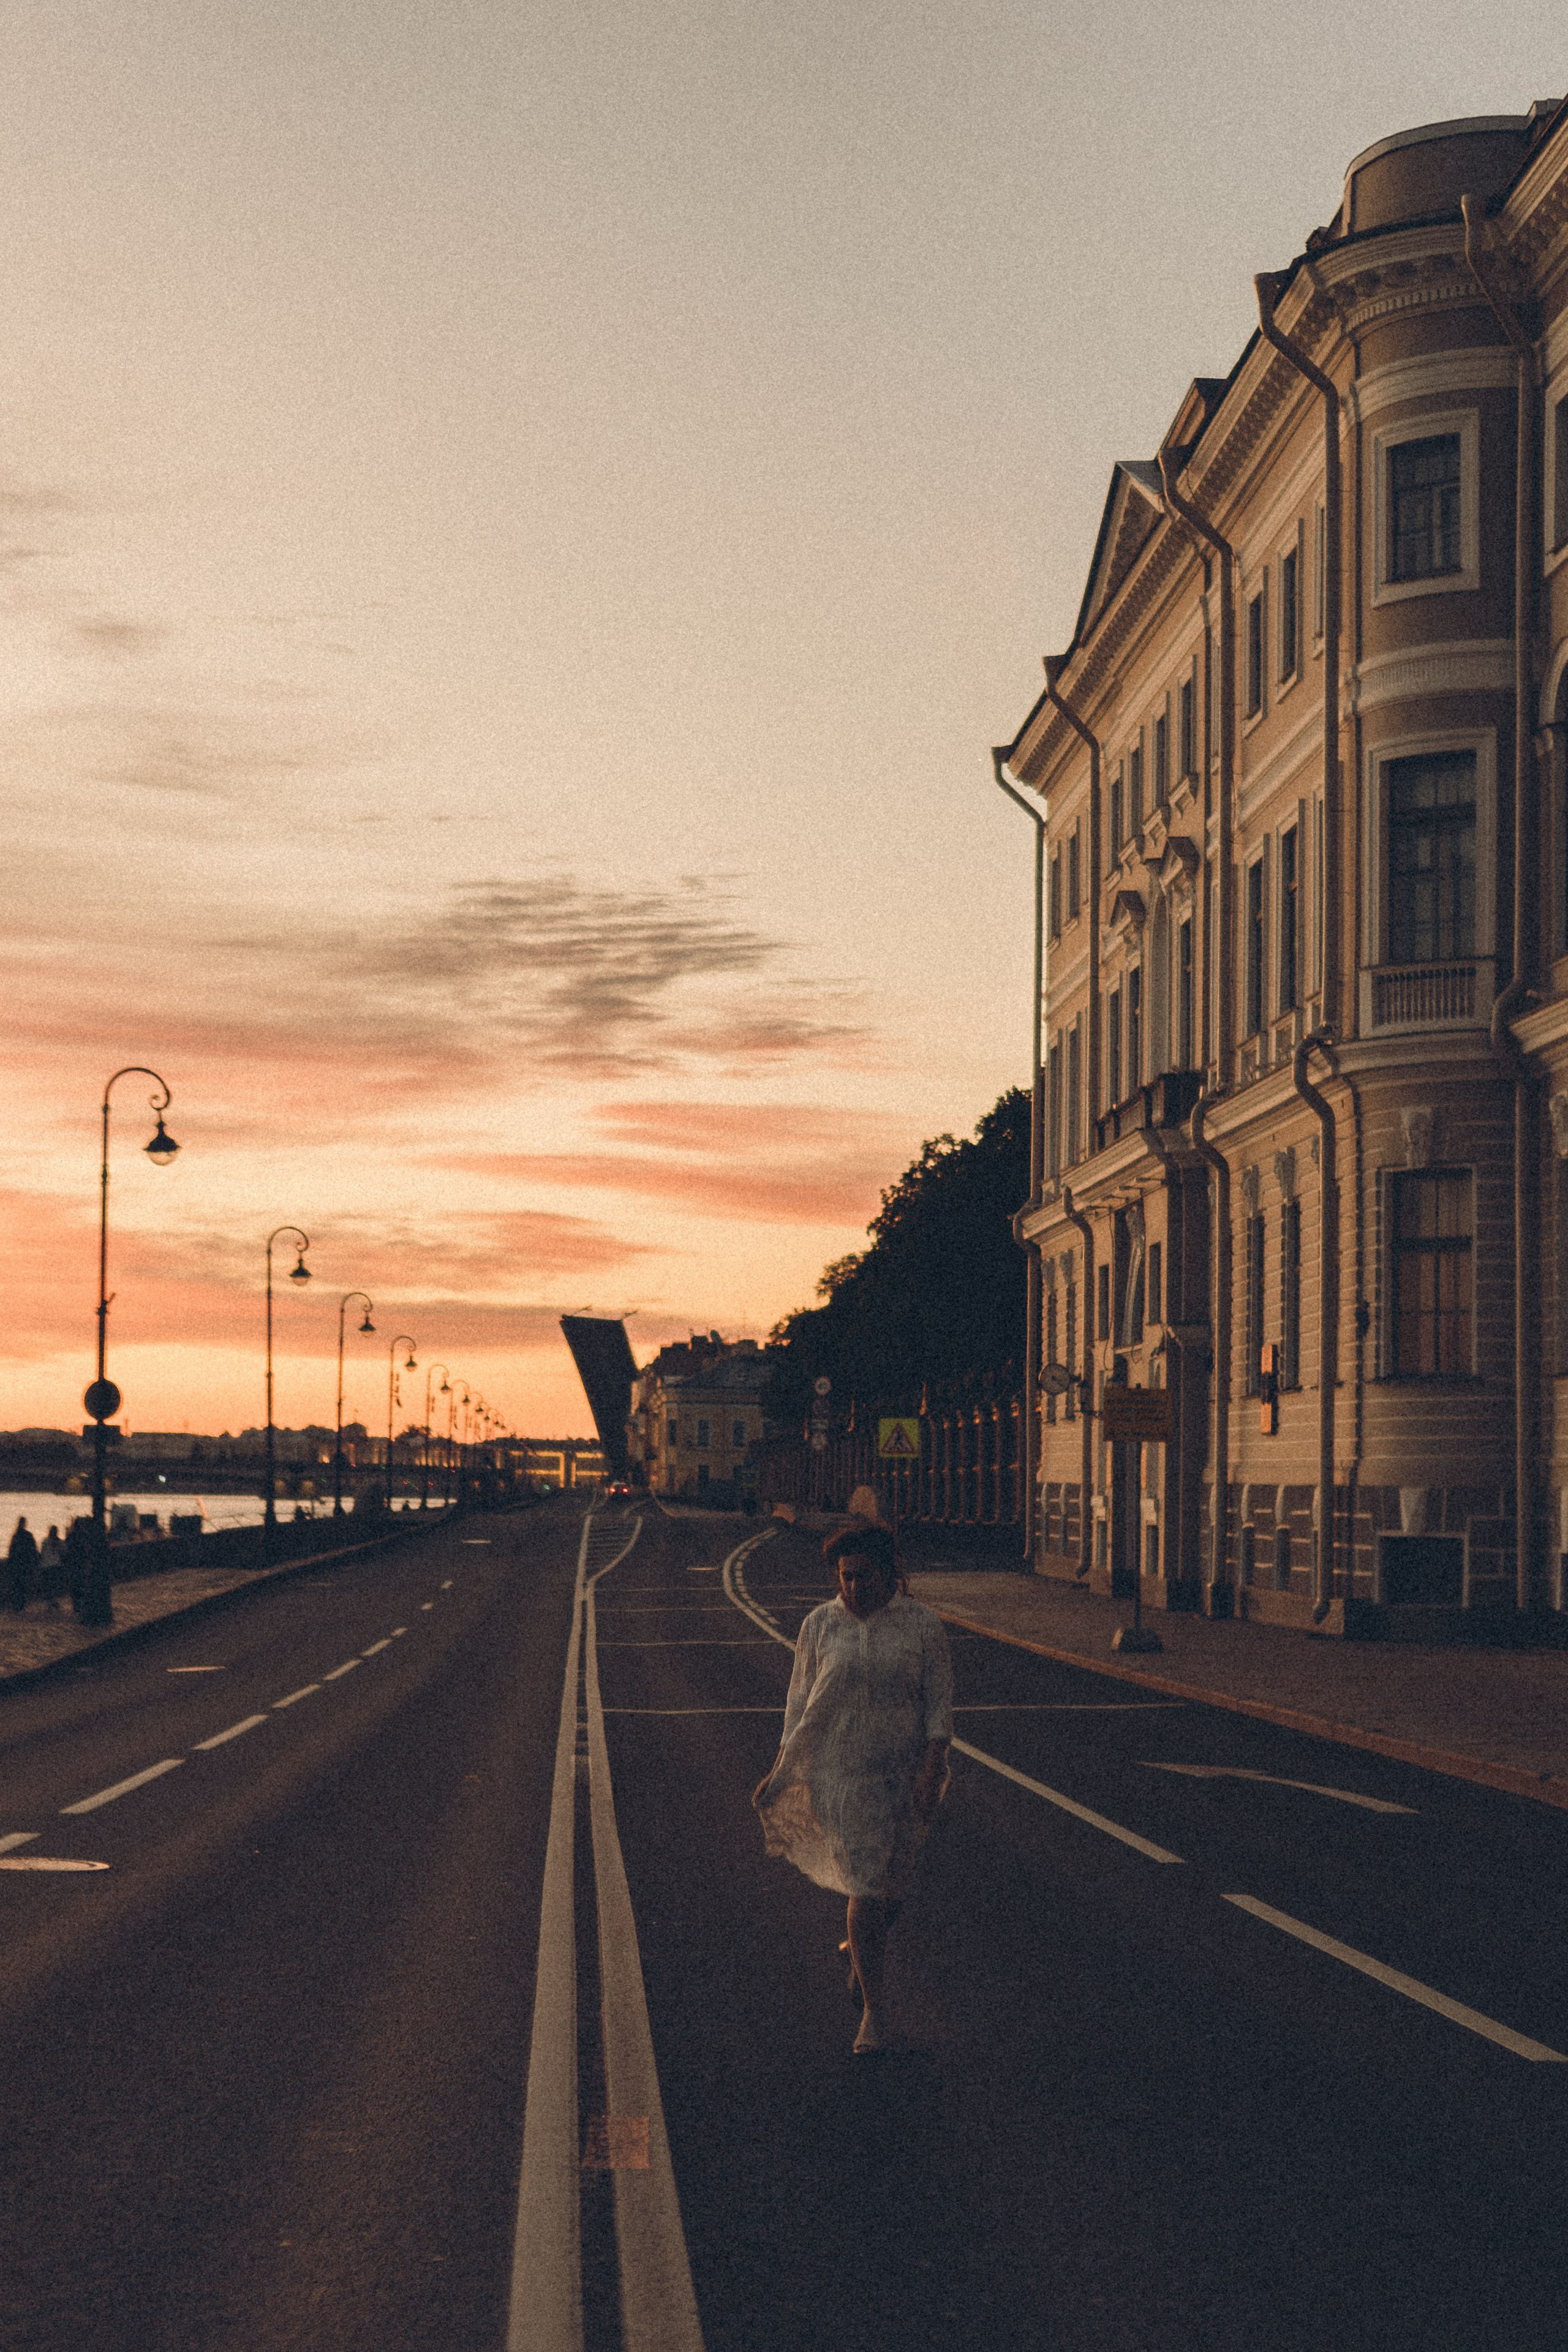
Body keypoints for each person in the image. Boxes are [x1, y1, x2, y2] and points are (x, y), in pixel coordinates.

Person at [753, 1523, 953, 2054]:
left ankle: (857, 1949)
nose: (854, 1588)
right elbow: (798, 1706)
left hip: (906, 1772)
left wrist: (932, 1768)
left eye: (864, 1577)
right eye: (845, 1578)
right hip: (839, 1774)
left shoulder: (923, 1627)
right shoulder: (820, 1626)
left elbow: (938, 1707)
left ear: (889, 1573)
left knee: (894, 1890)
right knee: (865, 1886)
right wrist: (780, 1769)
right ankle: (875, 2013)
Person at [7, 1517, 38, 1613]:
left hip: (16, 1565)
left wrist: (10, 1563)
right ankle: (21, 1605)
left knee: (16, 1585)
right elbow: (33, 1550)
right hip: (25, 1565)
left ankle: (17, 1605)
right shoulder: (28, 1535)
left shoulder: (16, 1535)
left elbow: (11, 1551)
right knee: (23, 1585)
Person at [36, 1526, 66, 1611]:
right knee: (55, 1585)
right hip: (56, 1566)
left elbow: (42, 1553)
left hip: (47, 1566)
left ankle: (51, 1602)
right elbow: (64, 1553)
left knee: (48, 1585)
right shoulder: (60, 1542)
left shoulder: (45, 1542)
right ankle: (53, 1602)